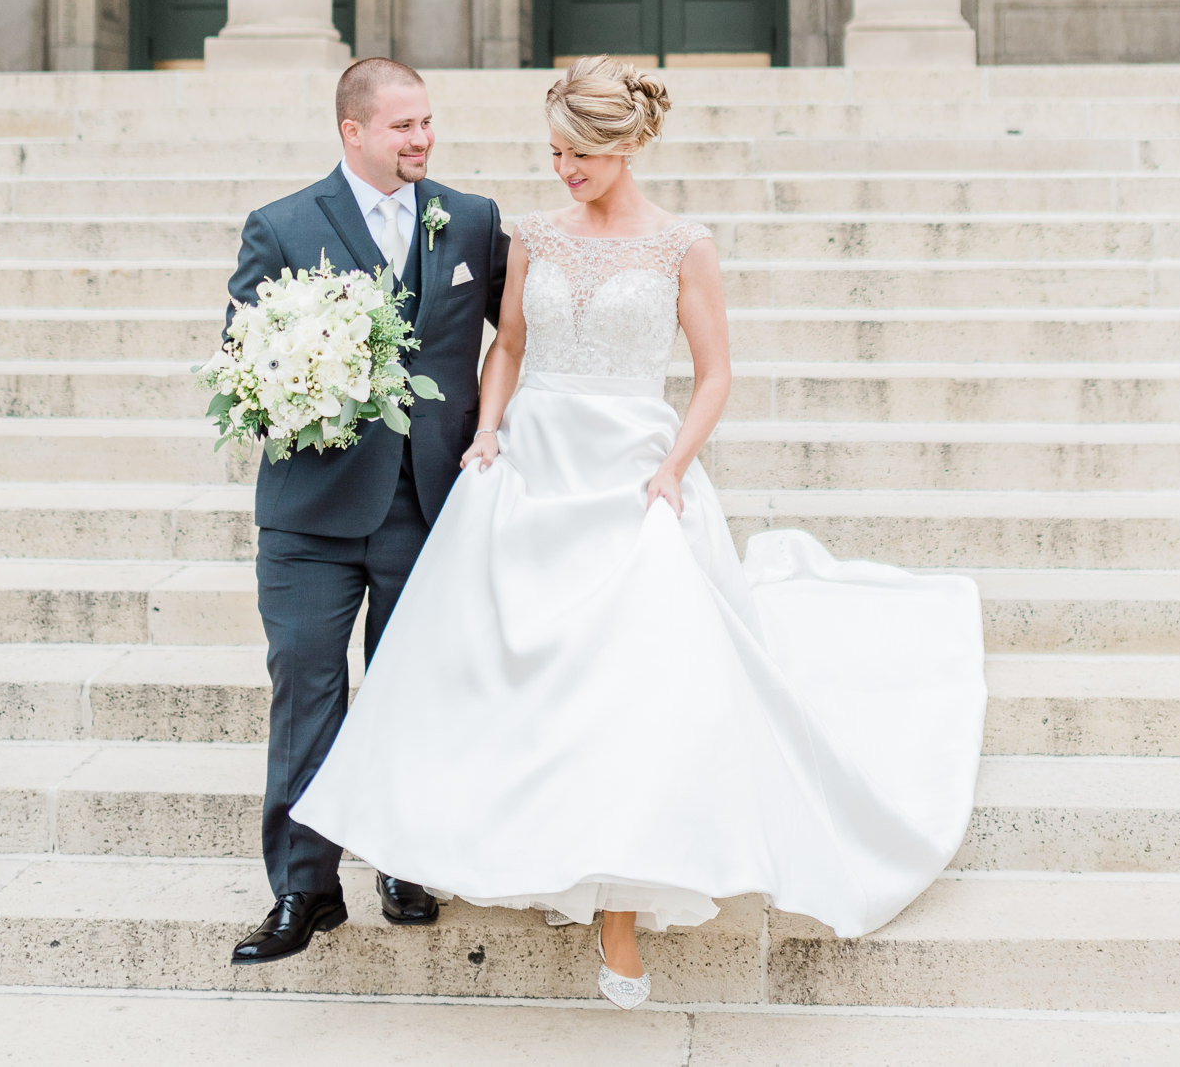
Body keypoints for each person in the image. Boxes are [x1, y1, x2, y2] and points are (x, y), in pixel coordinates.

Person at [292, 56, 986, 1008]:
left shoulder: (681, 246)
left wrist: (672, 467)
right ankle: (525, 841)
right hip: (533, 464)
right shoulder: (530, 235)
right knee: (517, 671)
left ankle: (617, 907)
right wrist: (489, 430)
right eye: (552, 152)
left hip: (632, 472)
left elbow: (713, 375)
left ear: (623, 149)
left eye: (577, 154)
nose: (562, 168)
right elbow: (510, 350)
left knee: (627, 683)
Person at [228, 57, 509, 967]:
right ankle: (305, 890)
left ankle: (405, 860)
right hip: (311, 517)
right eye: (402, 127)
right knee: (307, 691)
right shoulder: (281, 227)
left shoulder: (471, 220)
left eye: (427, 122)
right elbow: (247, 362)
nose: (422, 139)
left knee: (412, 693)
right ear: (353, 132)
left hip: (427, 507)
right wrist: (319, 377)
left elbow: (524, 335)